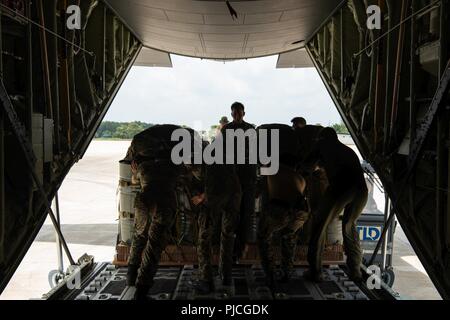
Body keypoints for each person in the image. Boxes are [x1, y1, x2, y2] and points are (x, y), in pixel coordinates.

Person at [125, 125, 186, 300]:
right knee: (153, 246)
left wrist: (137, 170)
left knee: (139, 236)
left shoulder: (143, 165)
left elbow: (134, 176)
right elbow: (189, 173)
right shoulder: (175, 165)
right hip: (164, 202)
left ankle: (130, 276)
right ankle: (142, 290)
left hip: (144, 200)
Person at [303, 127, 368, 282]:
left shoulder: (322, 146)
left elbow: (307, 166)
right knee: (349, 226)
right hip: (361, 190)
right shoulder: (346, 150)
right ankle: (355, 271)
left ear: (321, 139)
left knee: (319, 225)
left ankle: (315, 272)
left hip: (341, 187)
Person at [257, 159, 309, 289]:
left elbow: (258, 191)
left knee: (263, 236)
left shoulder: (270, 168)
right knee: (288, 236)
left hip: (280, 208)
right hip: (302, 212)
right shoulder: (300, 178)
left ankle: (270, 275)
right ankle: (287, 272)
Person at [193, 161, 242, 293]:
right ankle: (226, 275)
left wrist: (200, 197)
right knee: (228, 234)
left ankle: (206, 280)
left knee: (204, 236)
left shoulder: (201, 156)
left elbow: (202, 175)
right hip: (235, 191)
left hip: (216, 192)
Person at [221, 102, 257, 259]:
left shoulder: (250, 129)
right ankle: (232, 249)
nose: (236, 115)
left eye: (239, 113)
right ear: (231, 114)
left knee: (246, 213)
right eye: (234, 113)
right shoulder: (226, 129)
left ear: (243, 113)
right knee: (232, 213)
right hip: (232, 176)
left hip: (247, 176)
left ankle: (242, 247)